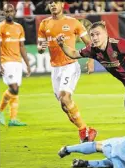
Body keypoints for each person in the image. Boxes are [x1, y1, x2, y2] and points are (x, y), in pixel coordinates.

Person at [37, 0, 97, 143]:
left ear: (62, 5)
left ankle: (83, 132)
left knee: (65, 97)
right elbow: (40, 48)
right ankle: (86, 129)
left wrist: (91, 60)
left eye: (55, 2)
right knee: (64, 106)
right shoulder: (44, 24)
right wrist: (41, 48)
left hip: (70, 65)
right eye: (50, 2)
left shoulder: (73, 22)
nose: (52, 5)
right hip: (55, 68)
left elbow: (89, 43)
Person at [0, 3, 31, 126]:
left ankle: (13, 119)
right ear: (3, 13)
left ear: (15, 12)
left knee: (16, 90)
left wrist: (27, 64)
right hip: (6, 61)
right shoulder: (0, 27)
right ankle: (0, 110)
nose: (9, 14)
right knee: (14, 88)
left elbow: (22, 47)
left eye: (11, 11)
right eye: (6, 11)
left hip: (17, 61)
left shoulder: (19, 27)